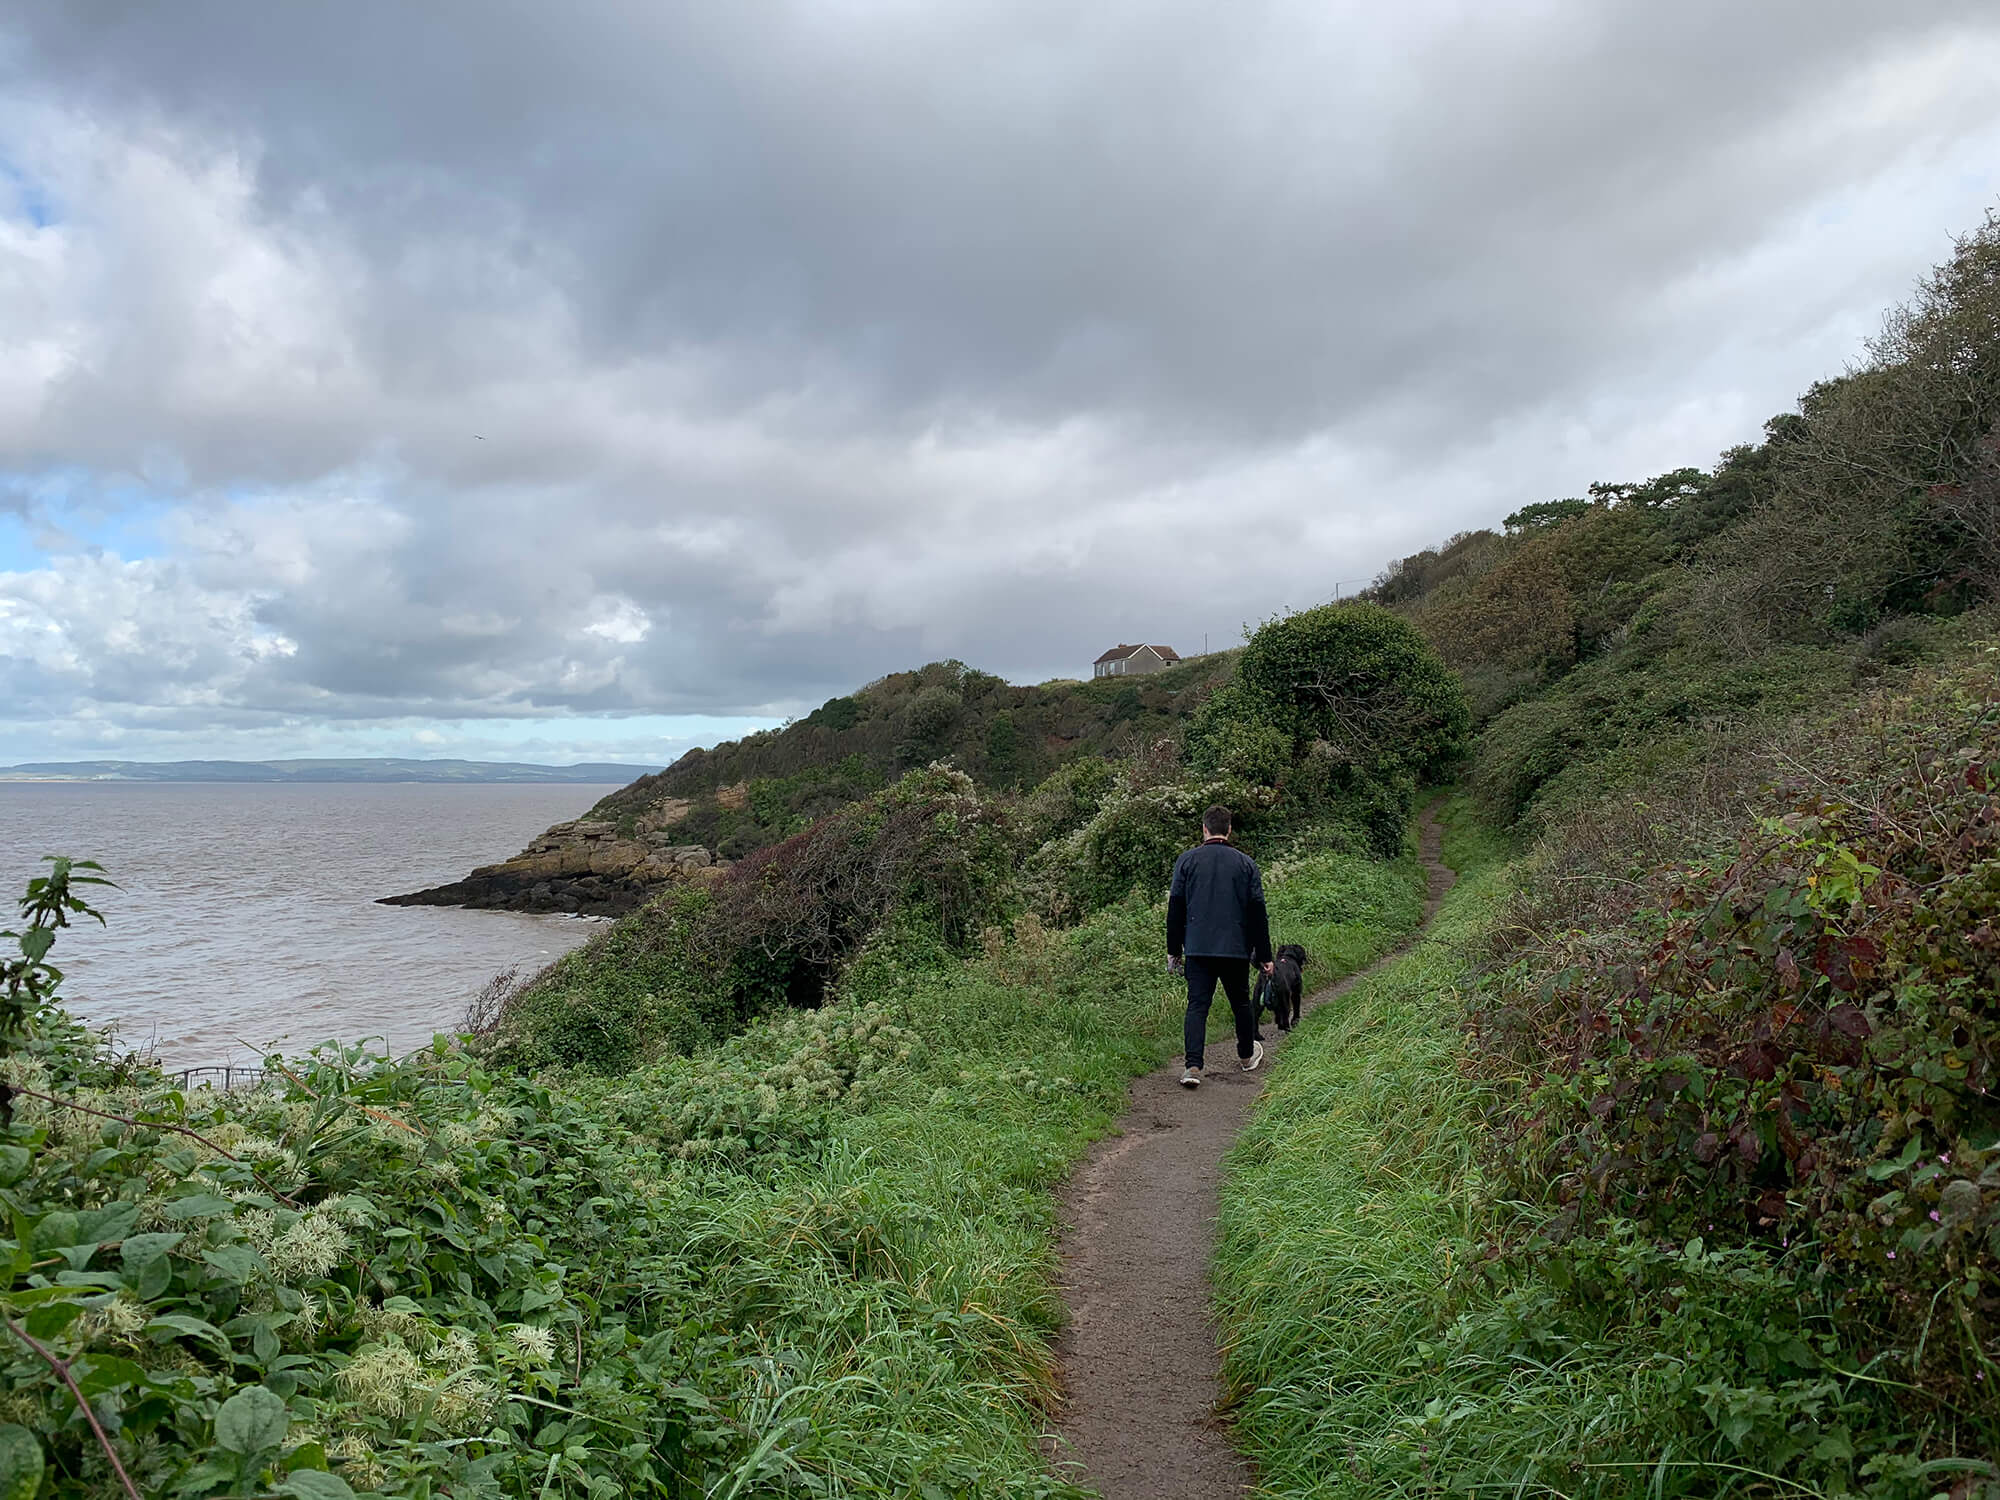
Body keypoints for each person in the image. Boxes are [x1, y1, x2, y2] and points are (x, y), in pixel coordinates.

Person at [1166, 804, 1273, 1088]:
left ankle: (1192, 1067)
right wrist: (1265, 955)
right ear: (1229, 830)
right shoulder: (1246, 864)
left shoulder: (1186, 861)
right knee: (1241, 1003)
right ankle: (1246, 1056)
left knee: (1197, 1005)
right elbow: (1257, 913)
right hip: (1235, 948)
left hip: (1198, 948)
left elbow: (1175, 909)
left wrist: (1174, 950)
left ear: (1204, 829)